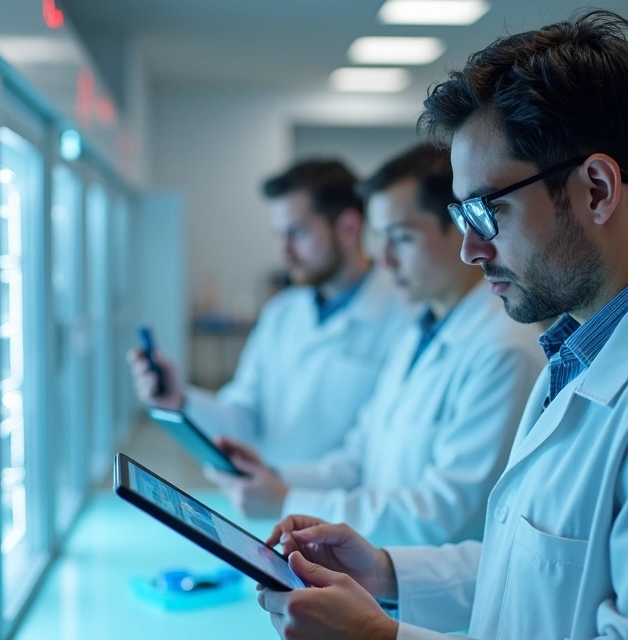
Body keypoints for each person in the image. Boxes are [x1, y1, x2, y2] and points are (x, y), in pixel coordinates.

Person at [254, 11, 628, 640]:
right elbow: (538, 576)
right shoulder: (582, 353)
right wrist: (388, 572)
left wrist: (380, 637)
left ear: (595, 189)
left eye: (486, 210)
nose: (470, 251)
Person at [204, 145, 544, 547]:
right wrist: (275, 477)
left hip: (430, 596)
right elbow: (358, 459)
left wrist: (287, 500)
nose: (383, 260)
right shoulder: (418, 332)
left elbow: (444, 513)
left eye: (400, 238)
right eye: (379, 238)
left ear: (459, 229)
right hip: (380, 572)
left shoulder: (504, 350)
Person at [128, 160, 409, 466]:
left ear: (349, 228)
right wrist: (180, 399)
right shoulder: (281, 312)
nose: (283, 253)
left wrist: (286, 490)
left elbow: (379, 452)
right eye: (280, 235)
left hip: (342, 509)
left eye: (297, 234)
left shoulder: (405, 315)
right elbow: (242, 418)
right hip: (273, 504)